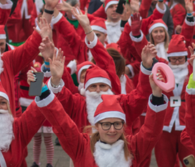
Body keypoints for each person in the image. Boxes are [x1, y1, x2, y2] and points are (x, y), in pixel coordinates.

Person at [36, 48, 168, 166]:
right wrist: (44, 84)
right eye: (93, 86)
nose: (112, 130)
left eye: (117, 124)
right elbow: (61, 122)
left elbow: (151, 128)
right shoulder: (82, 145)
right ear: (97, 126)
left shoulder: (132, 146)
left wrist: (155, 90)